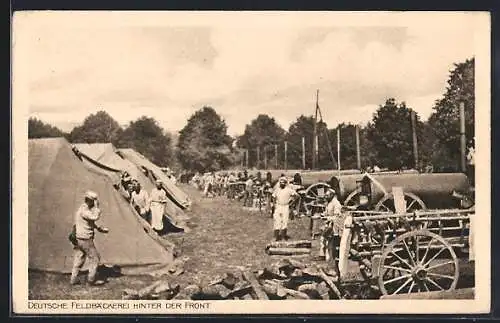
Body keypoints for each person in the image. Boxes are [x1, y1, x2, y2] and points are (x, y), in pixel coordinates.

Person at [70, 191, 109, 286]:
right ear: (90, 201)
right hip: (85, 239)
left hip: (79, 238)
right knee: (95, 258)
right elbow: (94, 217)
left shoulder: (83, 208)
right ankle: (91, 280)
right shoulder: (85, 210)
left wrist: (99, 229)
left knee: (79, 258)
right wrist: (97, 207)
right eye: (93, 201)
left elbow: (89, 222)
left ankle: (73, 279)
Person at [320, 189, 343, 277]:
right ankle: (328, 265)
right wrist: (324, 215)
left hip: (334, 227)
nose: (325, 196)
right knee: (327, 245)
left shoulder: (336, 203)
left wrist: (329, 218)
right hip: (329, 225)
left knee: (331, 247)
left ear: (332, 195)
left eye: (327, 195)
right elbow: (328, 212)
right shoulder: (329, 203)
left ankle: (332, 268)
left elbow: (337, 216)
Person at [272, 177, 299, 241]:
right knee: (277, 221)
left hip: (285, 206)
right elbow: (273, 196)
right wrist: (274, 204)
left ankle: (283, 237)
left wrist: (292, 203)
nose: (282, 184)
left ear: (285, 183)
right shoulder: (277, 189)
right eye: (281, 183)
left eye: (283, 183)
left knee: (284, 221)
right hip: (278, 206)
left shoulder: (289, 190)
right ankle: (276, 237)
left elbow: (297, 196)